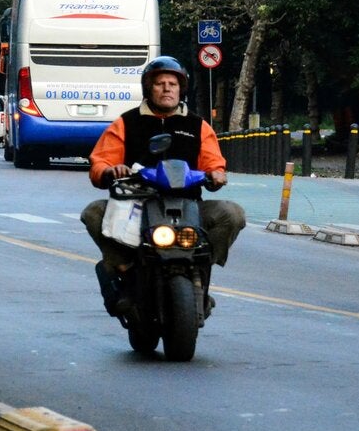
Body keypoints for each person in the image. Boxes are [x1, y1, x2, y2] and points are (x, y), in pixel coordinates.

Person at [81, 56, 245, 298]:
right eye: (160, 83)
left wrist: (216, 174)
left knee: (233, 214)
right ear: (149, 88)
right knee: (93, 212)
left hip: (189, 206)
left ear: (181, 89)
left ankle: (201, 269)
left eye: (173, 84)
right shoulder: (126, 123)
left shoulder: (198, 125)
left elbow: (214, 162)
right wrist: (109, 170)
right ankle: (124, 269)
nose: (167, 88)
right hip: (136, 206)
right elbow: (101, 162)